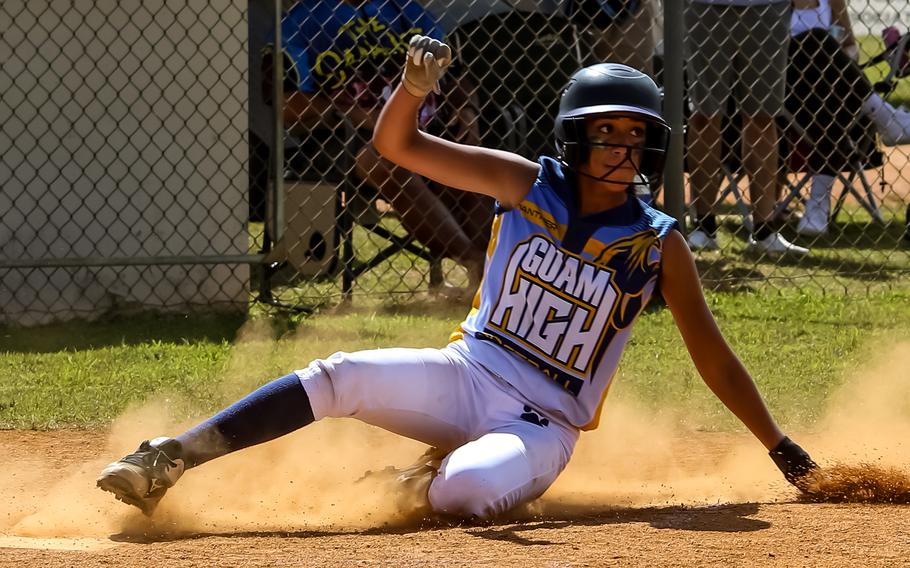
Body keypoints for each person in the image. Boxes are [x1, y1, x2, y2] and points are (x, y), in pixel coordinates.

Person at [97, 37, 818, 520]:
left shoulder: (658, 244)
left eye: (636, 135)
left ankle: (417, 482)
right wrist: (411, 89)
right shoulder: (526, 183)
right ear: (576, 136)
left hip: (542, 423)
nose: (622, 147)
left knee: (468, 490)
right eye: (607, 131)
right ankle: (170, 458)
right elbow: (397, 145)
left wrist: (781, 448)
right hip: (468, 370)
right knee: (338, 374)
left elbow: (713, 357)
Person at [277, 0, 491, 288]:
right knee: (386, 161)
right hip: (345, 136)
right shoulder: (302, 22)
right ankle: (475, 263)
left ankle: (491, 272)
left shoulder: (407, 12)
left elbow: (456, 76)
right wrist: (346, 112)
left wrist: (466, 109)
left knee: (470, 158)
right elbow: (285, 105)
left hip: (423, 127)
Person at [684, 0, 809, 256]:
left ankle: (764, 230)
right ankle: (703, 226)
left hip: (767, 6)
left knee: (763, 117)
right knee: (705, 115)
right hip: (705, 6)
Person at [787, 0, 910, 236]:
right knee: (816, 40)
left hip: (828, 92)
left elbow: (851, 48)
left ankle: (818, 209)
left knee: (832, 102)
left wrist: (840, 56)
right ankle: (886, 117)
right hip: (787, 93)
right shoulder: (768, 3)